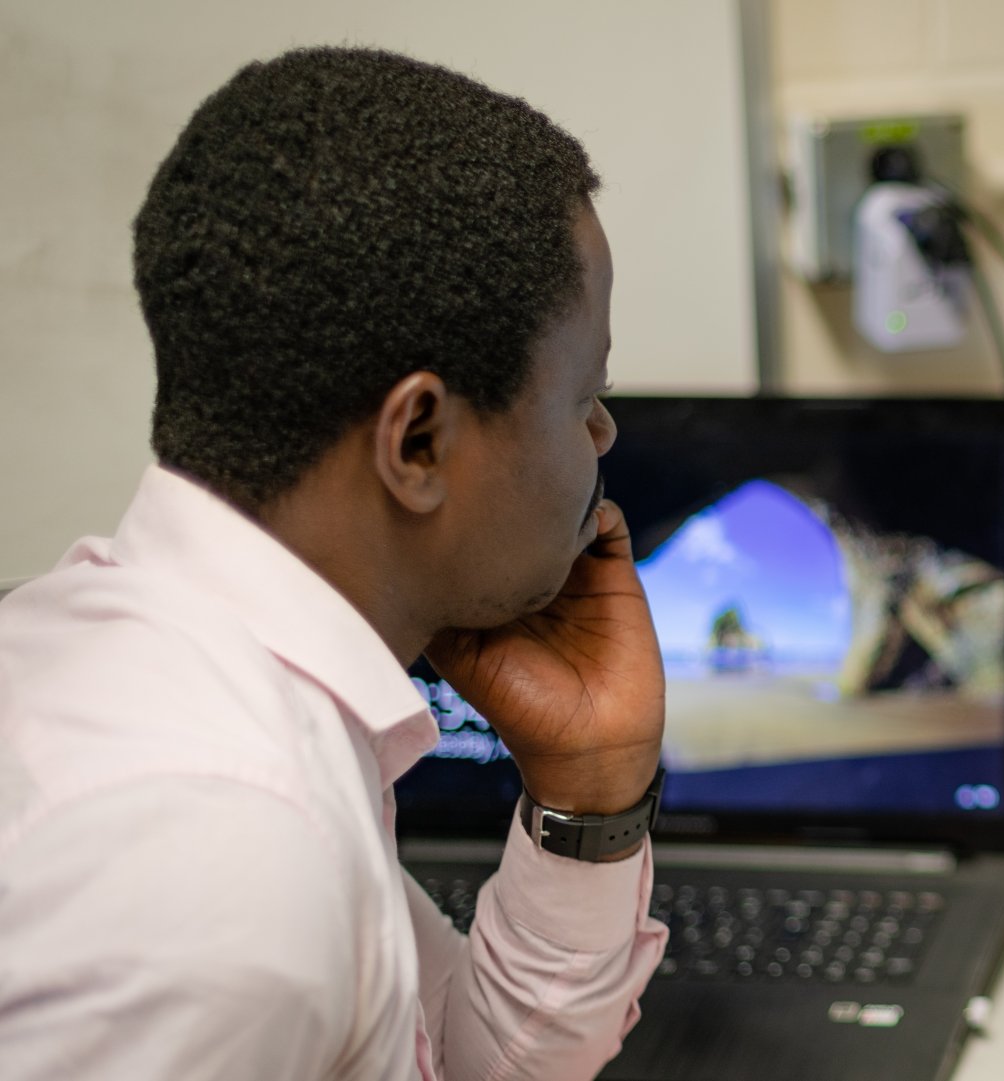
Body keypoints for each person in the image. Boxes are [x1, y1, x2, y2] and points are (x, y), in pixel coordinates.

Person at [0, 47, 667, 1079]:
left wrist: (592, 783)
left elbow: (458, 1061)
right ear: (417, 442)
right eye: (584, 394)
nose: (606, 435)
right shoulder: (222, 859)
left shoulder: (203, 677)